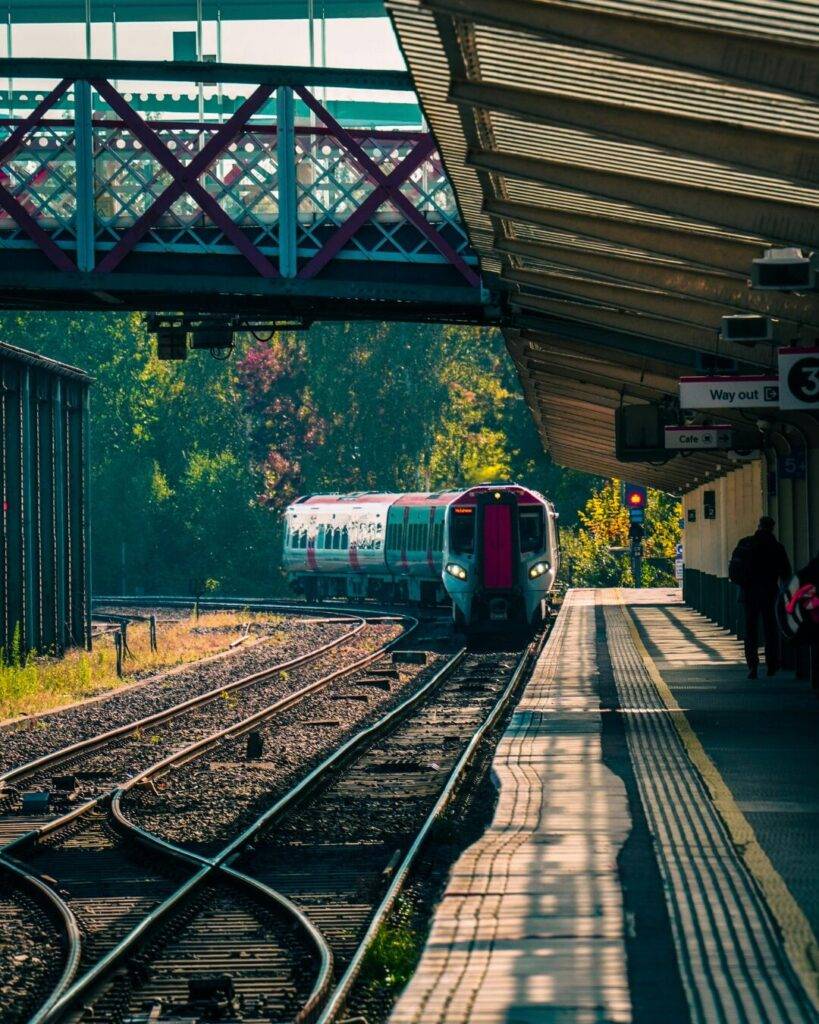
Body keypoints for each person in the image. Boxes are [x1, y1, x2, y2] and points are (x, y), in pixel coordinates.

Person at [729, 516, 792, 678]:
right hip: (770, 593)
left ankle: (753, 666)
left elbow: (735, 568)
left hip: (748, 593)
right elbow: (786, 573)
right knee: (770, 629)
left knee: (750, 630)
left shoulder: (745, 543)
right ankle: (772, 664)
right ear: (772, 528)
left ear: (759, 526)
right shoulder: (777, 548)